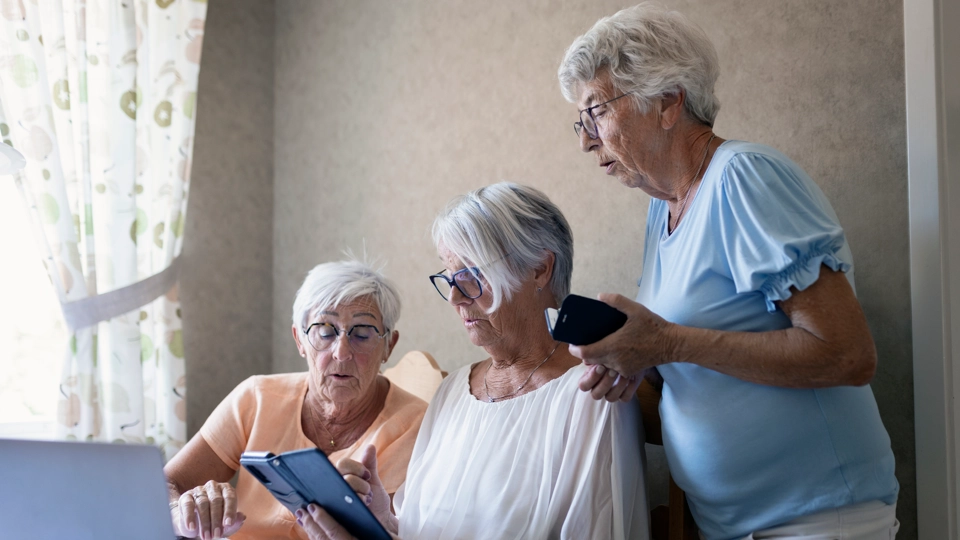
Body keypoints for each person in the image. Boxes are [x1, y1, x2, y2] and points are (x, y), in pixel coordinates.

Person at [556, 4, 900, 539]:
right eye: (581, 121)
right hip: (729, 526)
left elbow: (848, 353)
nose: (584, 140)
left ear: (668, 102)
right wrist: (635, 364)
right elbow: (703, 360)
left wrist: (666, 344)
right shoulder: (661, 208)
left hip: (815, 521)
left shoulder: (743, 178)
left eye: (597, 112)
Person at [300, 182, 649, 540]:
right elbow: (418, 528)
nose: (454, 296)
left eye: (471, 274)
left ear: (540, 270)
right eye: (450, 276)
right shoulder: (453, 391)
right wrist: (381, 522)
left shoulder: (593, 393)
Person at [163, 260, 428, 540]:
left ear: (389, 345)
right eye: (325, 331)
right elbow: (166, 484)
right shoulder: (257, 398)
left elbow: (391, 531)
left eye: (362, 334)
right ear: (299, 340)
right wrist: (180, 514)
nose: (341, 352)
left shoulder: (417, 428)